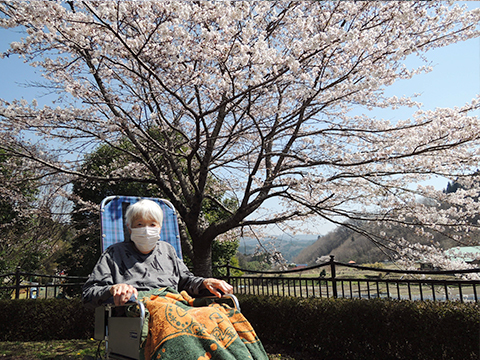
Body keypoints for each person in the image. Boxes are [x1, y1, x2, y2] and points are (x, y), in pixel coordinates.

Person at [82, 199, 233, 309]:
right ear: (130, 229)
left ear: (160, 228)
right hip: (141, 313)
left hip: (178, 307)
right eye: (139, 224)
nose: (146, 230)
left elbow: (186, 281)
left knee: (221, 315)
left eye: (152, 224)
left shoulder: (168, 251)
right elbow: (89, 294)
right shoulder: (114, 253)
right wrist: (112, 289)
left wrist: (204, 282)